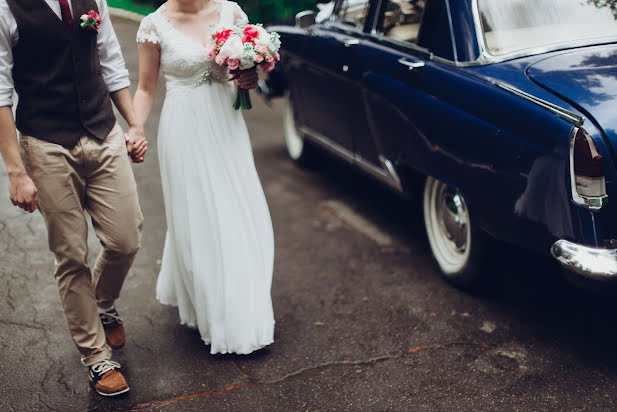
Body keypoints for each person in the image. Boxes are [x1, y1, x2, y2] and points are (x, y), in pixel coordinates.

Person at [0, 0, 147, 397]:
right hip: (46, 142)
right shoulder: (6, 8)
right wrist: (16, 171)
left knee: (126, 237)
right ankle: (97, 357)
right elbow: (0, 91)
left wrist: (133, 123)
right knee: (70, 254)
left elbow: (111, 61)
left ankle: (102, 301)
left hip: (103, 131)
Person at [133, 0, 275, 355]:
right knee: (201, 218)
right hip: (183, 131)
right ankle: (217, 315)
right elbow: (146, 88)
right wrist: (135, 128)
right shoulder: (154, 25)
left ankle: (243, 306)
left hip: (227, 126)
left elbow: (248, 78)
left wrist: (249, 79)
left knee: (240, 212)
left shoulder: (230, 12)